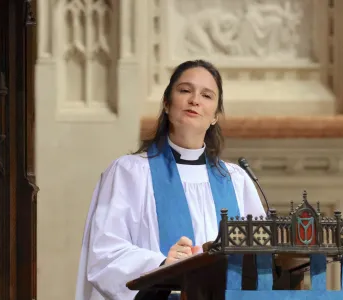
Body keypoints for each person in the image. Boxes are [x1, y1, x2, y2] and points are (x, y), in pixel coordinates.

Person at [75, 60, 265, 300]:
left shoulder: (236, 181)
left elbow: (261, 256)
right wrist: (163, 263)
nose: (195, 100)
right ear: (166, 103)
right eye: (185, 90)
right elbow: (105, 254)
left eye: (207, 95)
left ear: (215, 115)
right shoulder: (130, 173)